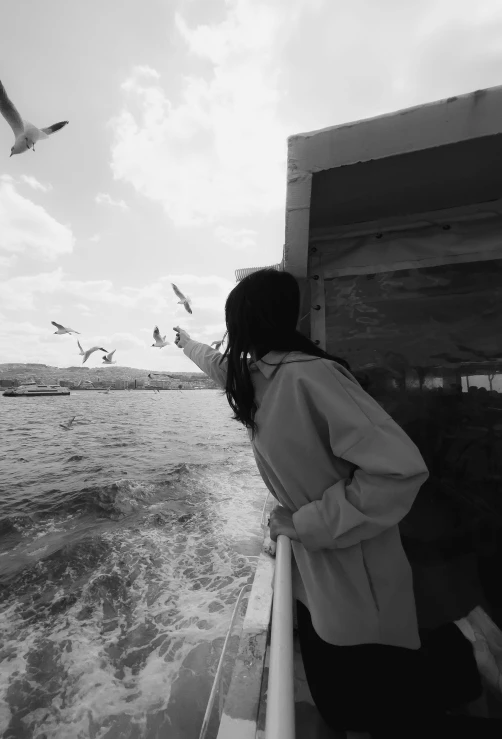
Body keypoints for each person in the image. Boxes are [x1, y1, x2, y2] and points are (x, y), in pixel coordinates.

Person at [174, 269, 502, 738]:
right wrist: (182, 341)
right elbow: (215, 362)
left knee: (368, 707)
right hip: (315, 578)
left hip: (352, 574)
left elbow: (398, 469)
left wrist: (305, 522)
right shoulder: (258, 376)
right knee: (346, 699)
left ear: (246, 318)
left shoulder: (311, 377)